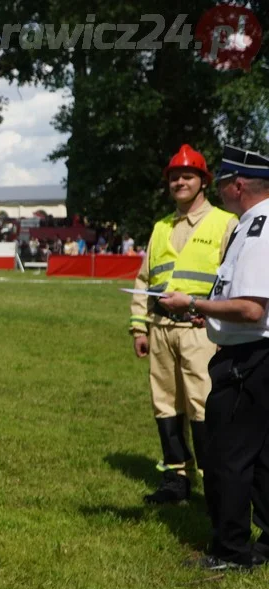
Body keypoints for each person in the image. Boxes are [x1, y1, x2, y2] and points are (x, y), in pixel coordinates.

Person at [160, 145, 269, 571]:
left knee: (228, 457)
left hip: (248, 356)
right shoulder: (252, 224)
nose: (220, 189)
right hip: (252, 352)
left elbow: (251, 308)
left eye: (223, 181)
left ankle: (230, 550)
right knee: (260, 459)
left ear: (238, 185)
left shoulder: (259, 227)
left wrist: (196, 305)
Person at [129, 145, 237, 504]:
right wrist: (139, 327)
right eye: (174, 177)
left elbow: (234, 279)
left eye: (187, 176)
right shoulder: (160, 227)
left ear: (203, 182)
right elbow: (144, 279)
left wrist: (226, 329)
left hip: (200, 330)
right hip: (161, 330)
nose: (180, 182)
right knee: (165, 405)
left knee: (203, 405)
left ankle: (213, 482)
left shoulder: (225, 223)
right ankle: (176, 479)